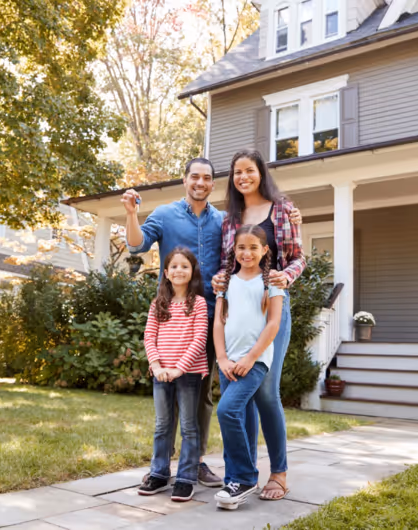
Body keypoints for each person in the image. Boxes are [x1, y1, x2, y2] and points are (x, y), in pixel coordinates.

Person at [122, 157, 302, 487]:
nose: (200, 183)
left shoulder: (232, 218)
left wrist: (291, 237)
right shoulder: (172, 215)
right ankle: (165, 467)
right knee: (177, 393)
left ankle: (202, 462)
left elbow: (282, 254)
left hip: (231, 313)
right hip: (186, 316)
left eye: (207, 177)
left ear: (214, 183)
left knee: (210, 394)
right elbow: (136, 244)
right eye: (195, 177)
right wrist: (132, 214)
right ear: (184, 179)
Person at [212, 148, 306, 501]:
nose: (243, 177)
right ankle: (244, 474)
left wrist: (285, 276)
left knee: (266, 392)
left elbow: (298, 258)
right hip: (238, 308)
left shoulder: (282, 208)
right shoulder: (229, 217)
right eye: (237, 172)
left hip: (271, 304)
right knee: (242, 394)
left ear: (260, 172)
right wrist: (220, 282)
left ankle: (279, 474)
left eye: (249, 170)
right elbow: (227, 263)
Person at [213, 224, 284, 510]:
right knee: (236, 416)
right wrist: (222, 359)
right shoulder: (225, 283)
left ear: (265, 250)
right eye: (241, 247)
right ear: (234, 249)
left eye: (254, 247)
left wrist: (251, 357)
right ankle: (234, 482)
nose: (247, 252)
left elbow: (274, 324)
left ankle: (244, 477)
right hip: (228, 361)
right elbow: (219, 322)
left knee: (227, 410)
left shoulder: (272, 283)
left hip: (253, 362)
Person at [138, 247, 209, 502]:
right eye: (174, 266)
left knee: (189, 426)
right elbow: (149, 336)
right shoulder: (159, 303)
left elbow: (200, 338)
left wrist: (180, 367)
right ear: (166, 273)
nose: (179, 270)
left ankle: (186, 478)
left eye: (185, 266)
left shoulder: (198, 303)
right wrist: (156, 366)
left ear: (192, 272)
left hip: (188, 373)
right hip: (161, 373)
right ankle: (158, 473)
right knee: (162, 425)